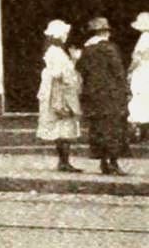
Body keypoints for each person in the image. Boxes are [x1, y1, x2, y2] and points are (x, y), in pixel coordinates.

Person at [76, 17, 129, 176]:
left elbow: (80, 69)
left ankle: (103, 162)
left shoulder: (87, 50)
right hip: (111, 94)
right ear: (105, 32)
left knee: (98, 127)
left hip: (93, 94)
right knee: (113, 127)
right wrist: (125, 90)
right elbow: (118, 71)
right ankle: (113, 162)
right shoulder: (110, 49)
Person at [35, 20, 83, 172]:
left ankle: (64, 161)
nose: (66, 36)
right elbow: (58, 73)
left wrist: (73, 60)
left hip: (59, 90)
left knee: (63, 126)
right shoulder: (54, 52)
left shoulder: (56, 51)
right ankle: (64, 161)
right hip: (59, 92)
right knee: (63, 124)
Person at [127, 12, 149, 141]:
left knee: (139, 98)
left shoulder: (144, 38)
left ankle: (139, 131)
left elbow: (137, 58)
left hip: (143, 70)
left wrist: (130, 70)